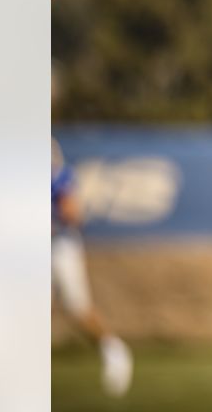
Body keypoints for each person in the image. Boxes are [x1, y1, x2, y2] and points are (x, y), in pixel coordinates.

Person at [52, 138, 134, 397]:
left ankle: (113, 349)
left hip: (58, 247)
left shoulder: (58, 177)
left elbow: (73, 214)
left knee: (78, 308)